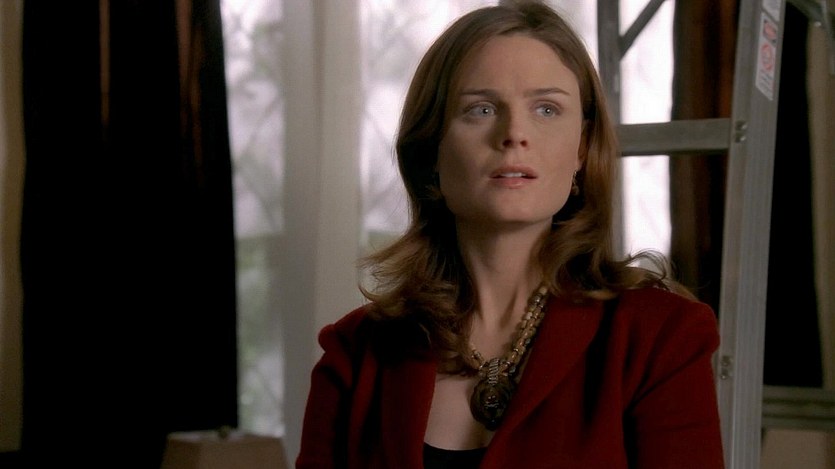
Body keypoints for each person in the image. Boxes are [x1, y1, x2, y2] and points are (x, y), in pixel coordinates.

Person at [296, 2, 724, 468]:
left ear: (581, 149)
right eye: (480, 109)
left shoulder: (660, 337)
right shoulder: (356, 352)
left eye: (546, 109)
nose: (514, 133)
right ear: (431, 149)